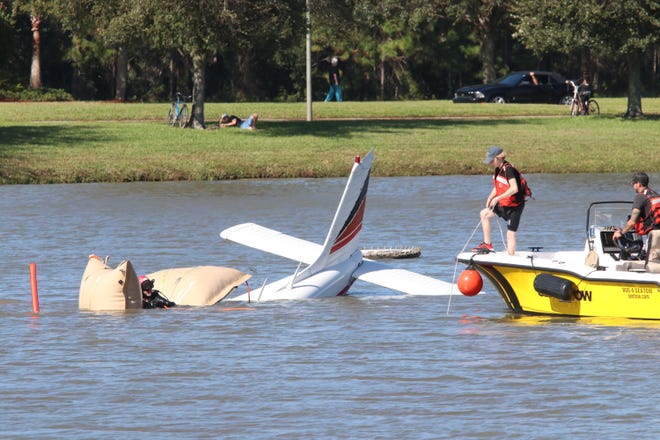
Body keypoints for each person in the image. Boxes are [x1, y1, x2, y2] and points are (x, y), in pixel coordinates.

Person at [472, 146, 526, 255]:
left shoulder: (508, 169)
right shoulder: (497, 170)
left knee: (510, 234)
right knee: (484, 214)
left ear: (499, 158)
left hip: (515, 206)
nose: (490, 163)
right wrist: (490, 197)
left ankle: (511, 257)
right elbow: (498, 186)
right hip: (504, 202)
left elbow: (514, 188)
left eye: (492, 160)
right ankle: (488, 245)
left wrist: (497, 198)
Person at [613, 172, 660, 241]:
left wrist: (621, 232)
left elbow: (632, 222)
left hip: (654, 235)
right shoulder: (656, 195)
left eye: (634, 183)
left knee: (652, 251)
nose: (633, 185)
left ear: (639, 184)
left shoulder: (640, 197)